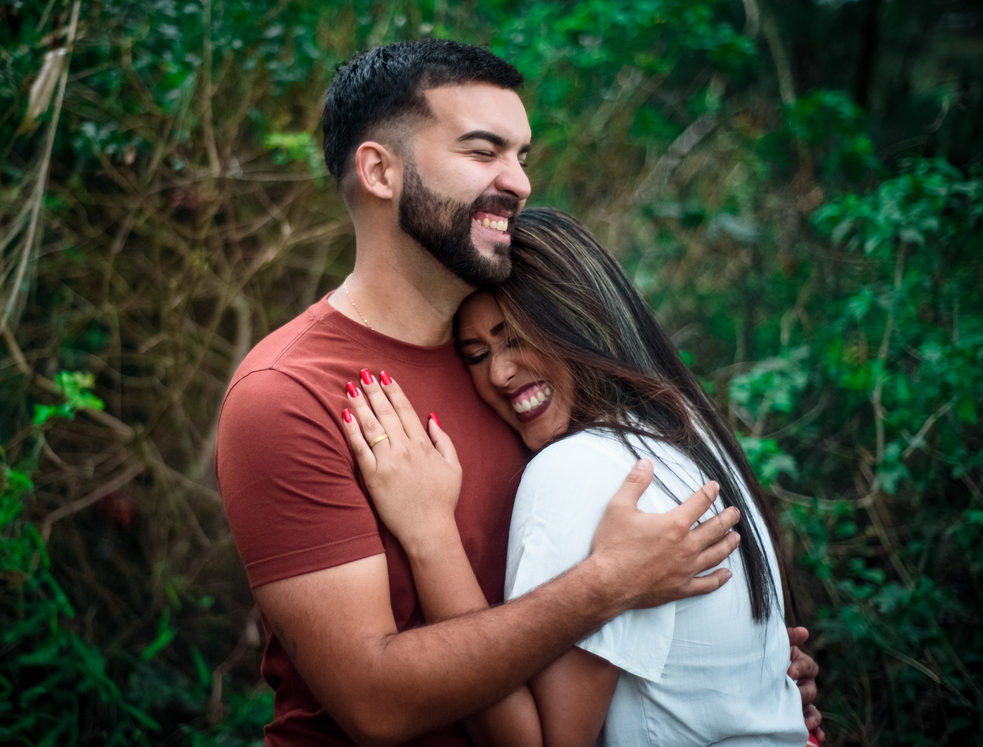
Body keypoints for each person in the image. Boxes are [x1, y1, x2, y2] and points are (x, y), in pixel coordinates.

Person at [215, 40, 820, 747]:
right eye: (483, 151)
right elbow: (375, 702)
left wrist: (730, 677)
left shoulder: (529, 366)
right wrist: (609, 585)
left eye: (522, 155)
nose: (520, 181)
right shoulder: (288, 394)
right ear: (380, 170)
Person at [339, 207, 822, 746]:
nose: (499, 372)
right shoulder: (688, 431)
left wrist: (430, 533)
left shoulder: (577, 469)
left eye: (516, 336)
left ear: (578, 319)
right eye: (476, 355)